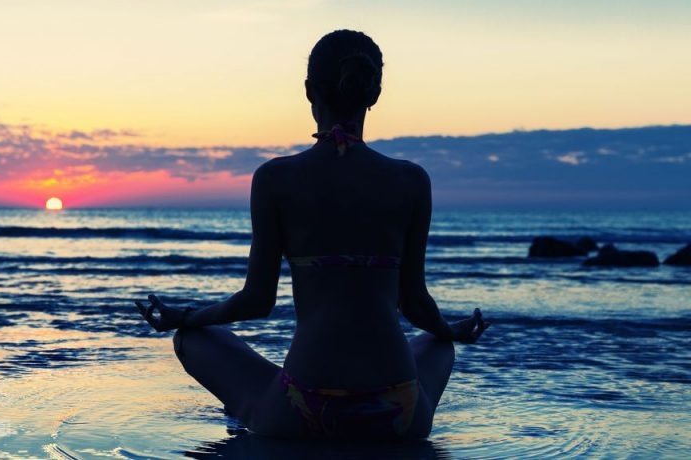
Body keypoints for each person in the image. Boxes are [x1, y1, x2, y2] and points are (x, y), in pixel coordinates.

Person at [135, 29, 489, 440]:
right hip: (400, 415)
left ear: (308, 92)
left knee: (193, 339)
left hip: (303, 411)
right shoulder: (411, 180)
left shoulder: (276, 178)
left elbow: (257, 300)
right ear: (374, 94)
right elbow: (415, 305)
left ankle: (245, 411)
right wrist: (452, 330)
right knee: (438, 343)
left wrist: (188, 317)